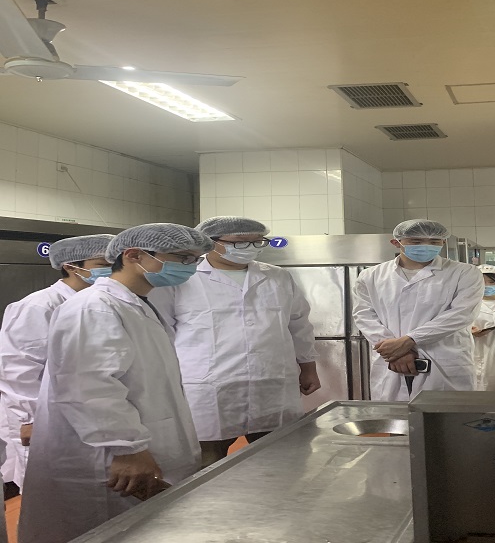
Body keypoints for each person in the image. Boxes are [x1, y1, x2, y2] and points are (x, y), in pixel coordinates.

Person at [17, 223, 214, 543]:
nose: (190, 267)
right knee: (99, 529)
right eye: (182, 258)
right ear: (134, 255)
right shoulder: (93, 307)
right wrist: (125, 449)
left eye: (195, 259)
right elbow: (88, 387)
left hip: (144, 443)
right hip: (107, 456)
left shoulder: (139, 302)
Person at [149, 216, 320, 468]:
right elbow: (161, 331)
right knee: (206, 463)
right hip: (208, 386)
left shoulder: (278, 277)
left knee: (282, 460)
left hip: (271, 382)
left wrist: (309, 367)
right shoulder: (183, 279)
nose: (250, 248)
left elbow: (299, 324)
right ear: (210, 242)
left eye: (257, 242)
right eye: (240, 242)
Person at [0, 233, 114, 490]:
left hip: (84, 411)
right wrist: (30, 419)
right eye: (102, 264)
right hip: (43, 416)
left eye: (113, 263)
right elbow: (18, 368)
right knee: (47, 489)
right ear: (71, 266)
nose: (110, 270)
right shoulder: (39, 306)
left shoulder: (102, 301)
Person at [353, 219, 484, 401]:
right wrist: (394, 349)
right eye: (416, 241)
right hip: (392, 362)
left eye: (434, 241)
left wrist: (409, 341)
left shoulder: (464, 272)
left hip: (444, 361)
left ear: (443, 242)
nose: (426, 246)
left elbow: (461, 314)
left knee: (446, 415)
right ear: (396, 242)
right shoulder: (371, 276)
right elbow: (364, 315)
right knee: (394, 416)